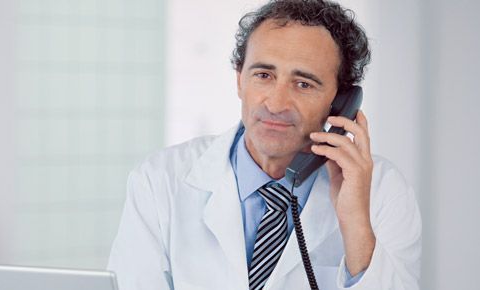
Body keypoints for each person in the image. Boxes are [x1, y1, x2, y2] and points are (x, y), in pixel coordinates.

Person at [107, 0, 421, 289]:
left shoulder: (382, 191)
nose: (276, 103)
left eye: (303, 84)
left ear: (340, 102)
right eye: (263, 75)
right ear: (239, 79)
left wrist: (355, 225)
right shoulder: (159, 179)